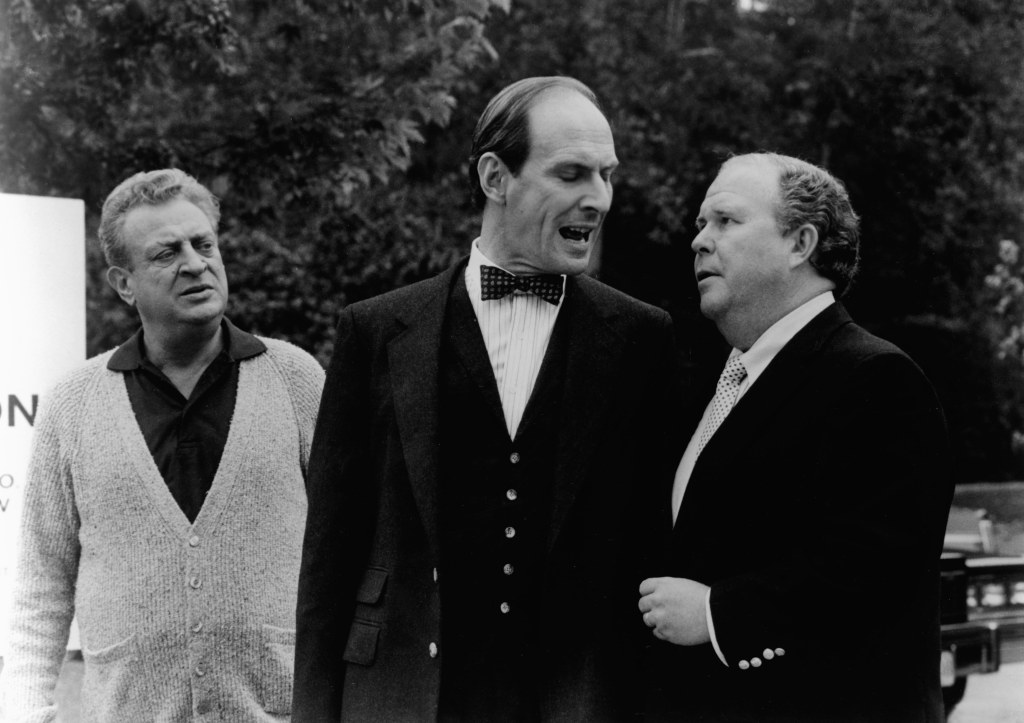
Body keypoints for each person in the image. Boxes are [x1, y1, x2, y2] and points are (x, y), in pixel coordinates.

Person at [294, 76, 681, 721]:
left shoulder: (642, 338)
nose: (599, 199)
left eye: (607, 176)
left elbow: (655, 546)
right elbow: (330, 556)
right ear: (496, 177)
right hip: (403, 695)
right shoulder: (377, 330)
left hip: (573, 698)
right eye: (571, 174)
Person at [638, 153, 953, 722]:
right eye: (699, 225)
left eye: (725, 221)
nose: (700, 241)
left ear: (800, 243)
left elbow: (875, 571)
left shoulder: (877, 379)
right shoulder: (716, 381)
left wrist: (718, 613)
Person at [0, 169, 325, 721]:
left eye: (204, 244)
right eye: (167, 252)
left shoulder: (295, 378)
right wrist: (22, 709)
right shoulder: (72, 405)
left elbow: (352, 548)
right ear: (124, 284)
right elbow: (43, 578)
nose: (196, 263)